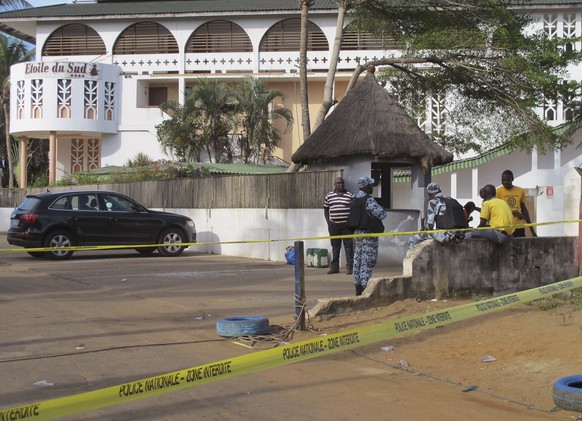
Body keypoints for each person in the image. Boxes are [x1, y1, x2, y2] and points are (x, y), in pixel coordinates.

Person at [346, 176, 386, 296]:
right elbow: (382, 214)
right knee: (366, 261)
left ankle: (357, 288)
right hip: (368, 235)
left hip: (357, 234)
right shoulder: (369, 200)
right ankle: (364, 289)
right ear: (367, 186)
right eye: (371, 185)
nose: (372, 187)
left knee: (357, 259)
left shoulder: (354, 198)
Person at [408, 182, 466, 249]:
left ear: (429, 193)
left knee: (413, 239)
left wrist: (424, 229)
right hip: (460, 236)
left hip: (446, 236)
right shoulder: (452, 200)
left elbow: (429, 225)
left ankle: (411, 258)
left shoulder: (433, 202)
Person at [323, 177, 354, 274]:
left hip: (346, 226)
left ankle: (350, 267)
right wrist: (329, 223)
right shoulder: (329, 196)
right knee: (335, 247)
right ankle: (335, 267)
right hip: (334, 226)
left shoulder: (349, 195)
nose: (341, 185)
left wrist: (350, 223)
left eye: (342, 183)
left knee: (348, 247)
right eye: (338, 183)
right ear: (334, 184)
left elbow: (353, 210)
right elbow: (326, 210)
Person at [496, 170, 537, 237]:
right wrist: (513, 212)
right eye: (503, 180)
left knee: (521, 246)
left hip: (518, 226)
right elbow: (496, 210)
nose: (505, 182)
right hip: (504, 226)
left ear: (512, 179)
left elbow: (524, 209)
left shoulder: (520, 190)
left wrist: (532, 230)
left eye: (508, 180)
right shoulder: (497, 192)